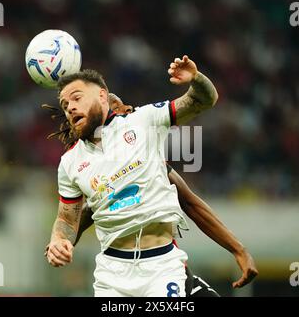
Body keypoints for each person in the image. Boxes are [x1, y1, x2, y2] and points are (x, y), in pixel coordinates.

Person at [44, 55, 234, 296]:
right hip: (112, 274)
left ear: (102, 95)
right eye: (64, 104)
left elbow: (203, 100)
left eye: (76, 98)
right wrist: (59, 240)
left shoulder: (143, 121)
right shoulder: (70, 162)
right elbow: (66, 219)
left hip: (161, 266)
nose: (69, 107)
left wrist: (195, 79)